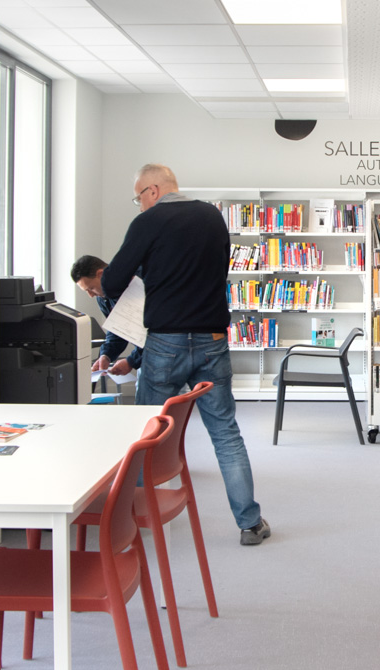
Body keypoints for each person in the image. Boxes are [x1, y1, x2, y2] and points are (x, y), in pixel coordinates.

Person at [101, 164, 269, 545]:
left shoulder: (147, 223)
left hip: (165, 342)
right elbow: (217, 271)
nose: (139, 205)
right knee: (225, 432)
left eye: (138, 198)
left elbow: (111, 282)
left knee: (147, 431)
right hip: (212, 339)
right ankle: (250, 523)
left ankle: (134, 519)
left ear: (153, 190)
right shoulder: (213, 217)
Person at [70, 254, 143, 377]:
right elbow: (118, 329)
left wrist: (132, 361)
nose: (91, 295)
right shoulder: (103, 297)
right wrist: (106, 355)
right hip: (147, 359)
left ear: (101, 274)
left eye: (91, 288)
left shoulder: (140, 282)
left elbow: (157, 334)